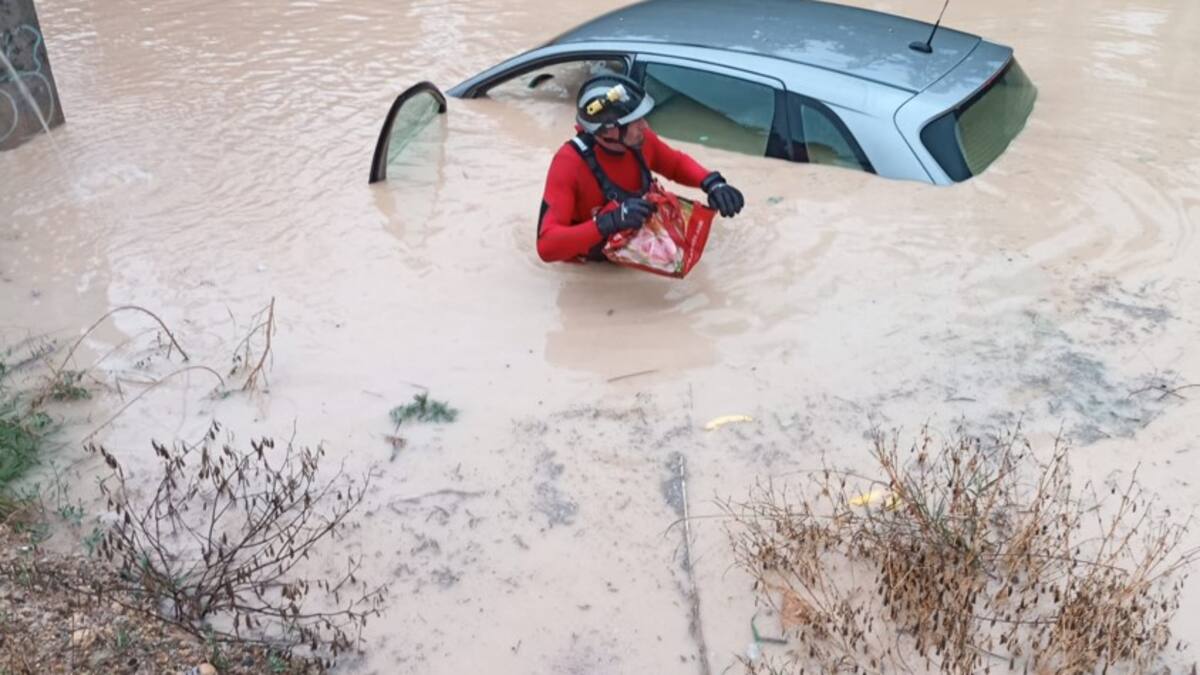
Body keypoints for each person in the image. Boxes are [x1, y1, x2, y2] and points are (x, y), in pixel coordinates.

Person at [536, 73, 745, 263]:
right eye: (635, 121)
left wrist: (712, 183)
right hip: (592, 269)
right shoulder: (568, 164)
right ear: (608, 132)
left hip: (636, 251)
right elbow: (547, 246)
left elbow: (674, 164)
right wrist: (610, 222)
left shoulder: (639, 140)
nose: (644, 125)